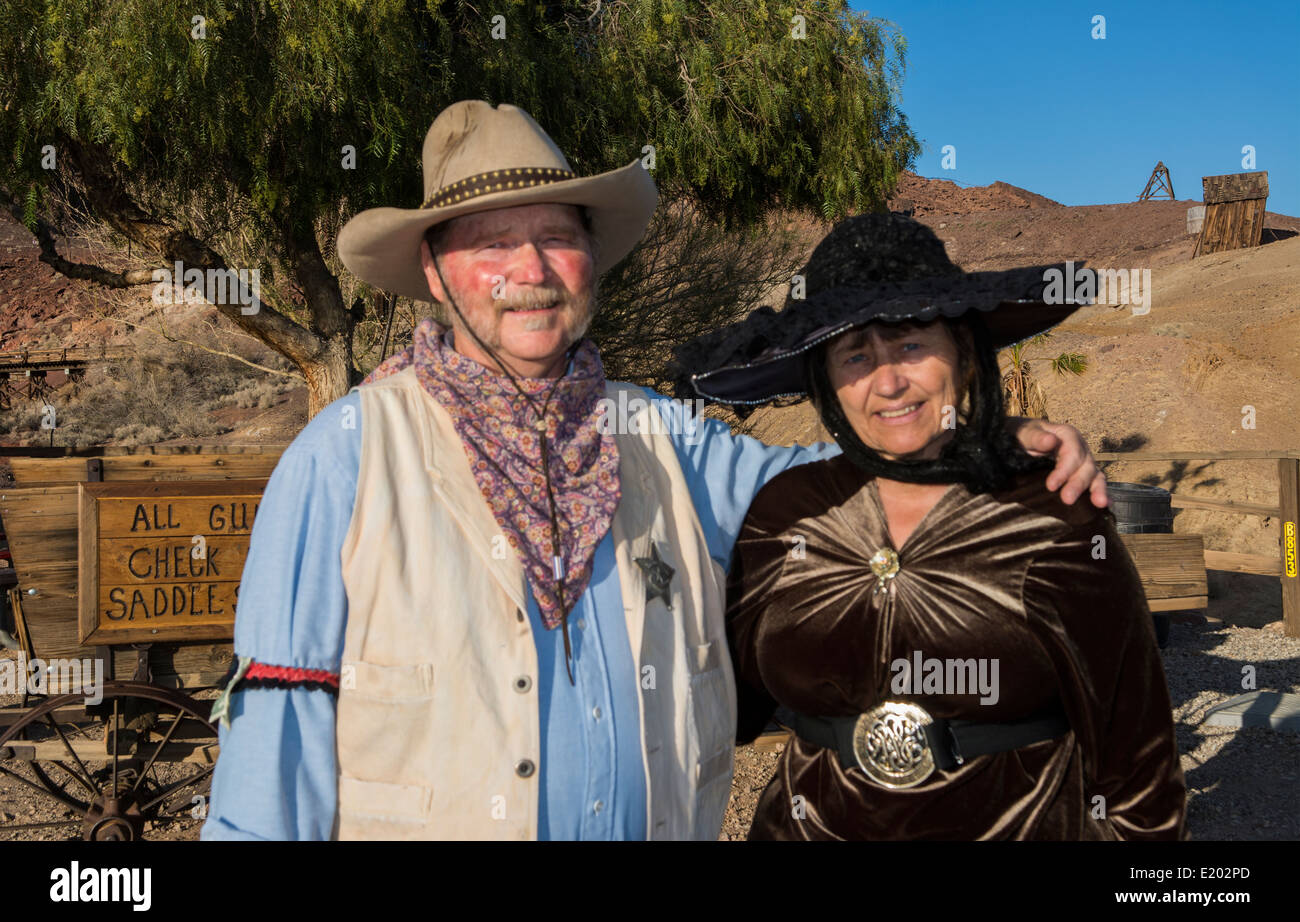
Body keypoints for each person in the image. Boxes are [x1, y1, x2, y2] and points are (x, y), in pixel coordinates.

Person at [201, 101, 1106, 841]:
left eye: (556, 237)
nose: (530, 270)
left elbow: (831, 487)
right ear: (435, 274)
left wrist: (980, 441)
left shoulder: (658, 434)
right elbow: (271, 755)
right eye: (489, 243)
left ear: (591, 260)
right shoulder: (349, 455)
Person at [674, 212, 1187, 840]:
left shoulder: (1054, 509)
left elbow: (1136, 759)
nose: (888, 382)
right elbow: (723, 704)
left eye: (912, 343)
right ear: (826, 382)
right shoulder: (784, 514)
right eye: (855, 355)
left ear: (963, 354)